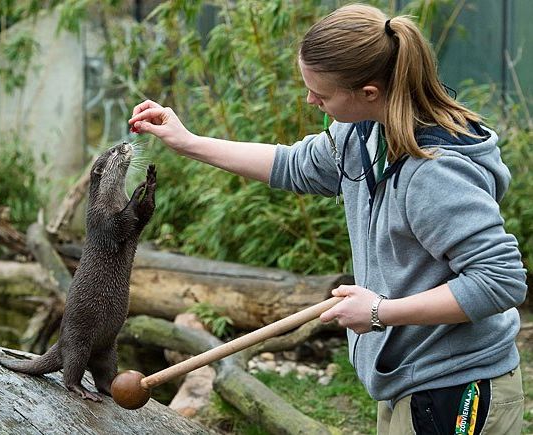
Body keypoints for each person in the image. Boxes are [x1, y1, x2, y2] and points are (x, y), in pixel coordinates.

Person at [127, 4, 527, 434]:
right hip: (409, 380)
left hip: (459, 387)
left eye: (322, 93)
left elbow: (500, 281)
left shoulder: (435, 171)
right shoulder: (365, 133)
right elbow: (294, 165)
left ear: (369, 92)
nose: (310, 100)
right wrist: (188, 143)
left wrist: (380, 312)